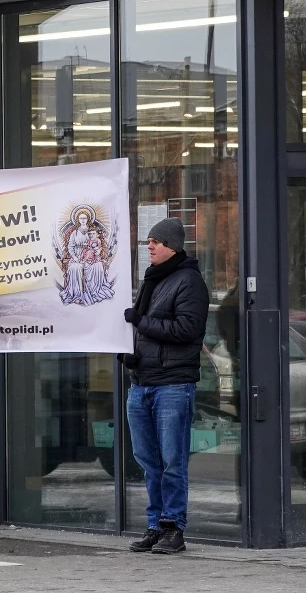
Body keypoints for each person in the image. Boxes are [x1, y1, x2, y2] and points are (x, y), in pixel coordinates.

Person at [122, 217, 209, 555]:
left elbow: (187, 330)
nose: (150, 246)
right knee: (148, 461)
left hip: (172, 385)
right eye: (148, 241)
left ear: (172, 245)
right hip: (142, 383)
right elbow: (146, 332)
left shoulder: (190, 281)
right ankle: (156, 526)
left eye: (155, 241)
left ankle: (174, 528)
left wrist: (141, 321)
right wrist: (131, 353)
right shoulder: (153, 280)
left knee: (172, 461)